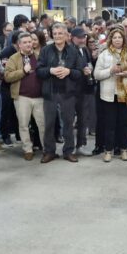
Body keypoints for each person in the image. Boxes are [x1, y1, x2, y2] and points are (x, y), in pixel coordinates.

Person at [37, 23, 85, 163]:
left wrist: (69, 71)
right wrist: (50, 70)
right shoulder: (45, 50)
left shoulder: (73, 51)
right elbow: (39, 71)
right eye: (55, 33)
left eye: (60, 33)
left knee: (68, 123)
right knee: (49, 123)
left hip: (68, 93)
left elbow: (80, 72)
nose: (57, 36)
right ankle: (49, 151)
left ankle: (68, 151)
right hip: (50, 93)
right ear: (52, 35)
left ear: (66, 35)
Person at [94, 27, 127, 162]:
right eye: (114, 37)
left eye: (119, 37)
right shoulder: (104, 54)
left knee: (124, 123)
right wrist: (110, 70)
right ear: (110, 39)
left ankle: (123, 149)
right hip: (109, 95)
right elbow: (96, 74)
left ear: (123, 39)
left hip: (125, 94)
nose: (117, 40)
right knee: (109, 124)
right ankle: (108, 151)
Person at [3, 32, 44, 161]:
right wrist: (23, 71)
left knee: (42, 124)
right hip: (21, 97)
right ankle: (27, 149)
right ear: (19, 45)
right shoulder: (13, 58)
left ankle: (47, 149)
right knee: (23, 124)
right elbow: (7, 77)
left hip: (39, 97)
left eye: (30, 41)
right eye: (25, 42)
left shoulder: (39, 57)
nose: (28, 44)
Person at [72, 27, 98, 156]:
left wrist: (92, 62)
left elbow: (88, 64)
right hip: (73, 90)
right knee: (70, 120)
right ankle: (70, 145)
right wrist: (82, 71)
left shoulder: (85, 49)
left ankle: (81, 144)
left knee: (84, 119)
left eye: (84, 37)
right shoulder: (70, 50)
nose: (83, 39)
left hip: (86, 89)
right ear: (73, 38)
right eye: (80, 37)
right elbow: (68, 68)